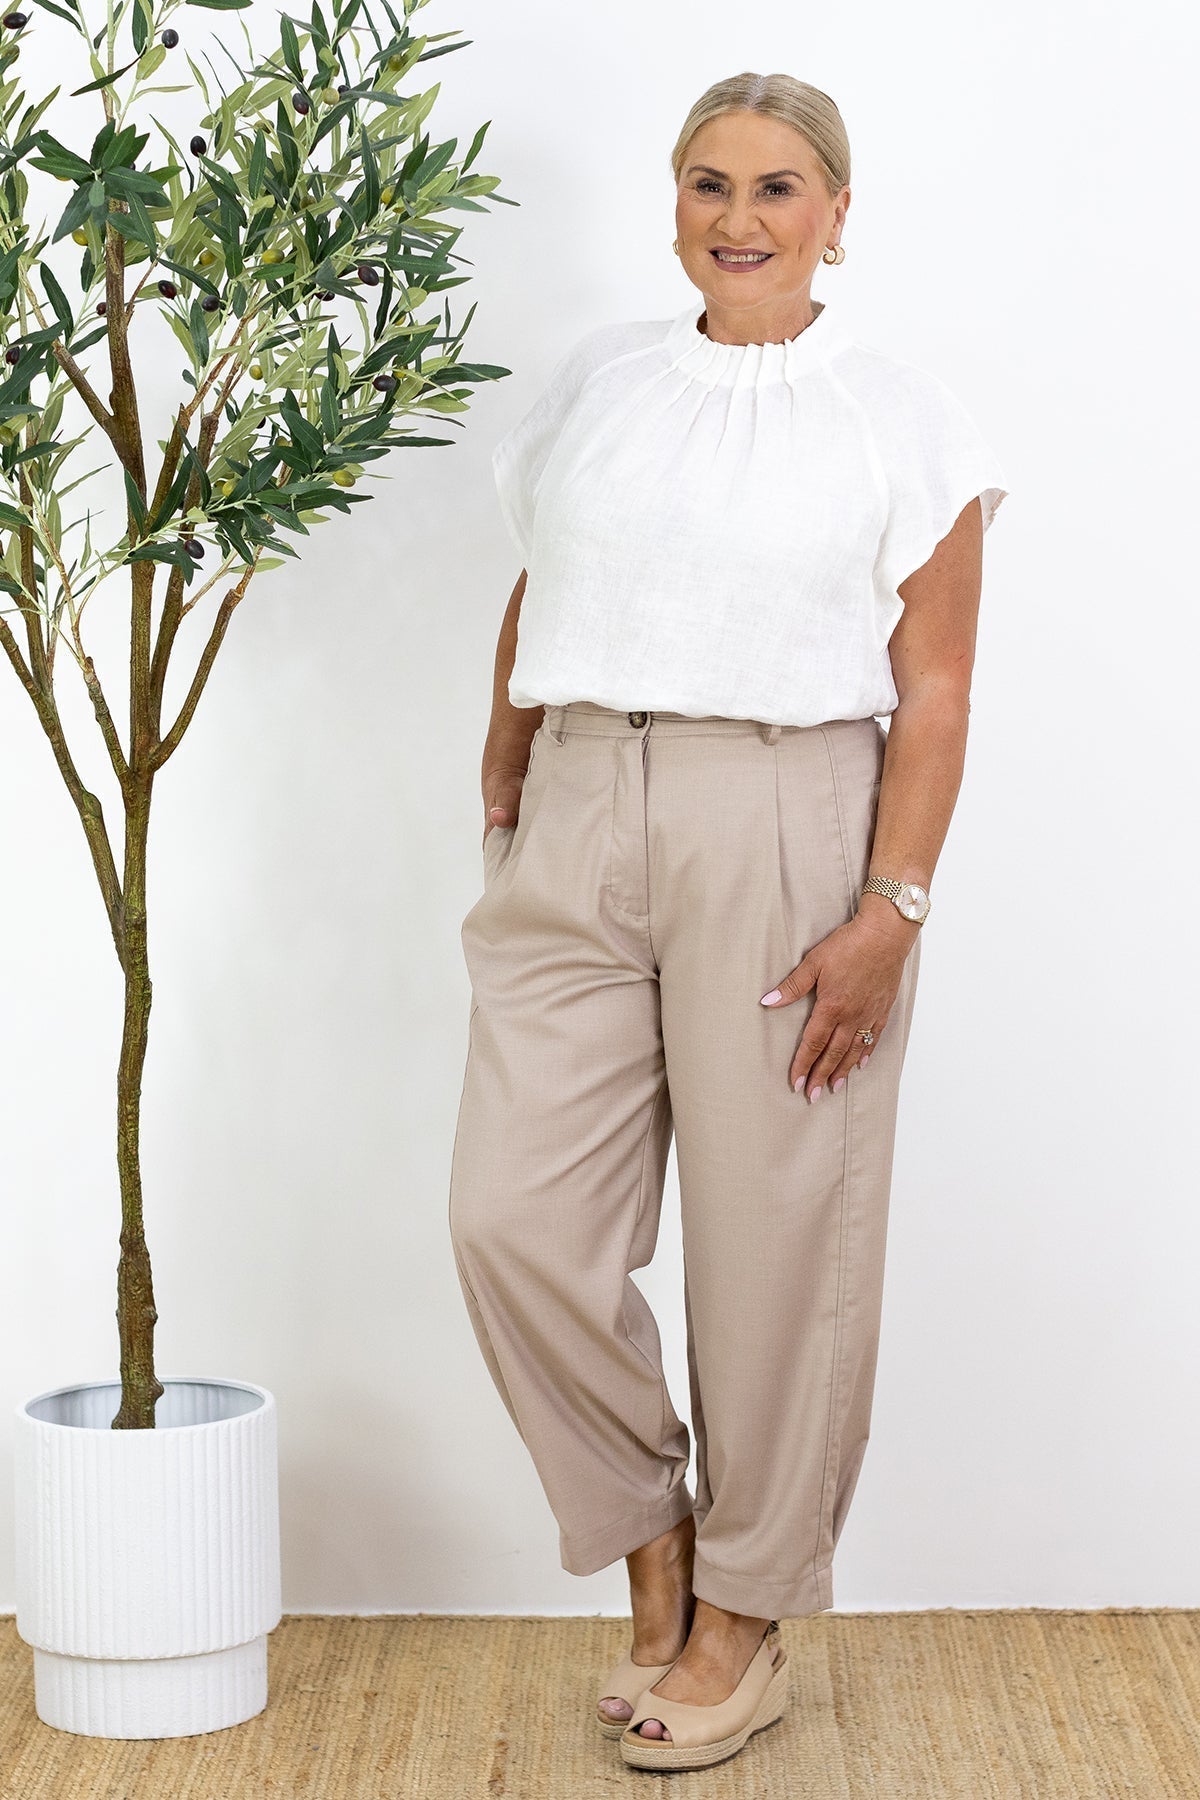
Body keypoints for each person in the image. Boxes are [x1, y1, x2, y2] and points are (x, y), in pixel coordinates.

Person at [448, 69, 1009, 1775]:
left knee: (775, 1243)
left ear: (838, 213)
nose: (740, 218)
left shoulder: (901, 417)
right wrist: (506, 779)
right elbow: (542, 585)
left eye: (777, 187)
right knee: (512, 1221)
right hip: (579, 801)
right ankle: (657, 1542)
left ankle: (745, 1618)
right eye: (709, 183)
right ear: (674, 202)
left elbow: (936, 684)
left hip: (787, 816)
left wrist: (892, 907)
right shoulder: (600, 381)